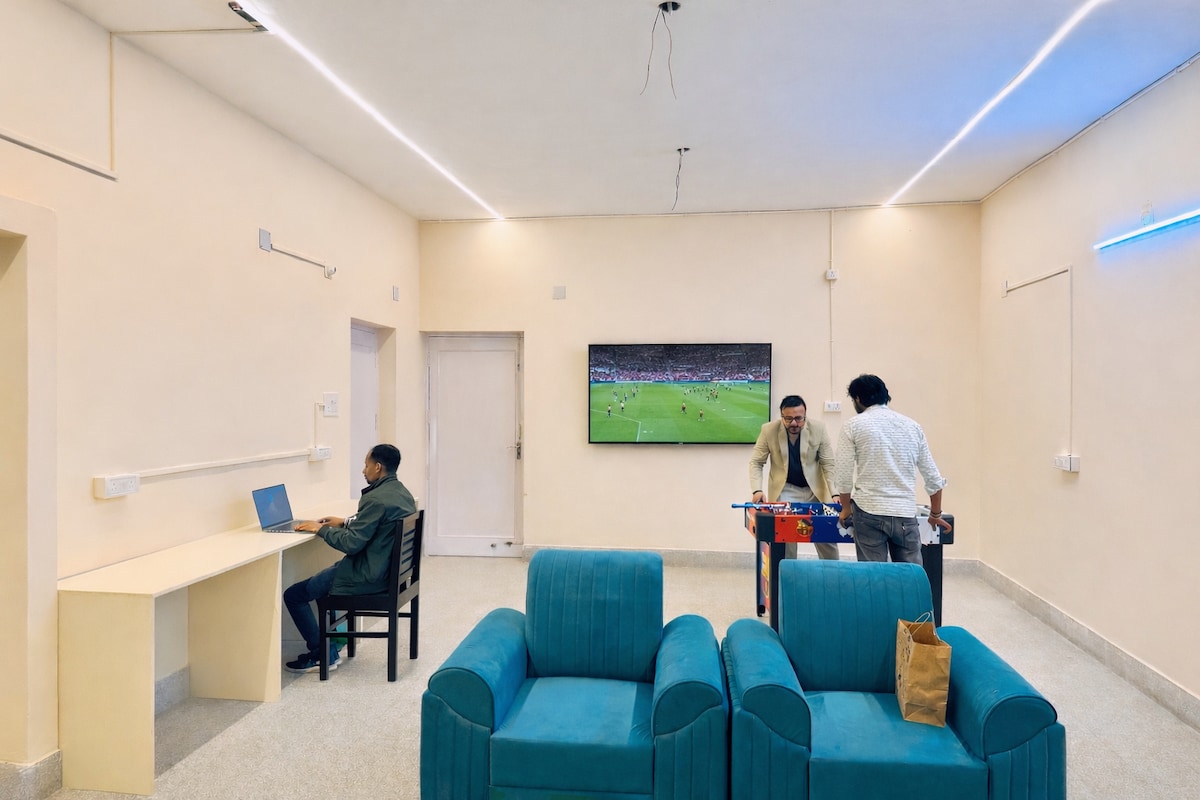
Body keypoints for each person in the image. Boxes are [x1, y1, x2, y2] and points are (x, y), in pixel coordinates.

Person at [283, 443, 417, 673]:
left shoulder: (375, 499)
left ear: (378, 467)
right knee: (321, 582)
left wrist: (321, 529)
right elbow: (377, 524)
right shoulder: (402, 493)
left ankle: (322, 654)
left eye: (366, 465)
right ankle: (330, 647)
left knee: (294, 595)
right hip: (388, 572)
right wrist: (345, 522)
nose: (363, 470)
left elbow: (351, 544)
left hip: (367, 575)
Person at [832, 374, 950, 565]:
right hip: (904, 512)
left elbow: (843, 474)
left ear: (858, 399)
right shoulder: (913, 426)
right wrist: (935, 514)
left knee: (873, 576)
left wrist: (846, 508)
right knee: (910, 576)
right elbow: (933, 478)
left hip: (868, 511)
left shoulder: (853, 426)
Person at [748, 395, 840, 560]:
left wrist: (834, 493)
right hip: (786, 489)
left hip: (815, 490)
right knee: (786, 538)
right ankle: (787, 573)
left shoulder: (818, 428)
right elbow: (756, 462)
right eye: (788, 419)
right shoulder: (768, 430)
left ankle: (833, 573)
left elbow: (828, 463)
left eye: (798, 418)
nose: (794, 423)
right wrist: (757, 490)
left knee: (826, 536)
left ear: (805, 415)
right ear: (782, 416)